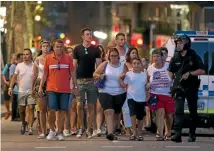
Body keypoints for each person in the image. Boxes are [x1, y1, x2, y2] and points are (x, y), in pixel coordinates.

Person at [38, 39, 78, 141]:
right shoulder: (49, 58)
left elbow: (73, 73)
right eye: (57, 47)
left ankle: (60, 132)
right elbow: (45, 74)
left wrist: (75, 86)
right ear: (54, 47)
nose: (59, 48)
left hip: (65, 89)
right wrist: (40, 87)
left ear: (63, 47)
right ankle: (52, 130)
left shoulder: (68, 58)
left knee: (62, 111)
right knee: (51, 110)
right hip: (51, 89)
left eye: (61, 47)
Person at [168, 34, 205, 143]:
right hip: (179, 87)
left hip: (191, 87)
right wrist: (172, 77)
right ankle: (177, 134)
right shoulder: (175, 57)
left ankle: (192, 133)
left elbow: (202, 70)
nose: (178, 45)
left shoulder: (193, 56)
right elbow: (171, 70)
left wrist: (190, 73)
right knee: (178, 110)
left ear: (186, 44)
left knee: (193, 112)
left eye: (180, 43)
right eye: (177, 43)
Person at [73, 28, 101, 138]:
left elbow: (98, 67)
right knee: (79, 105)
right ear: (82, 36)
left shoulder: (95, 49)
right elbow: (74, 67)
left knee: (91, 106)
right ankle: (81, 128)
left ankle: (89, 129)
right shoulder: (77, 49)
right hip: (80, 81)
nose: (90, 36)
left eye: (90, 34)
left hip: (91, 81)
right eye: (87, 34)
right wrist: (73, 82)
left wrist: (97, 79)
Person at [93, 48, 126, 141]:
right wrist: (100, 76)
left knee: (116, 113)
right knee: (108, 111)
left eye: (115, 55)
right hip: (105, 91)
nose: (113, 57)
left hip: (120, 92)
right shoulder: (105, 64)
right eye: (112, 56)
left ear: (118, 56)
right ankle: (110, 133)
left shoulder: (123, 65)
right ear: (108, 56)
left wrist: (123, 76)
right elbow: (94, 74)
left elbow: (127, 77)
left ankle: (112, 130)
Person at [147, 48, 175, 141]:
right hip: (155, 94)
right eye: (154, 56)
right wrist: (147, 87)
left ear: (161, 57)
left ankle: (169, 131)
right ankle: (160, 134)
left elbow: (172, 78)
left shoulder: (168, 66)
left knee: (169, 116)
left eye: (157, 56)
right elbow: (147, 80)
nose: (155, 58)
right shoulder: (150, 68)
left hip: (167, 94)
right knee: (160, 113)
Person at [119, 58, 147, 141]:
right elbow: (124, 85)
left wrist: (148, 93)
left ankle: (139, 133)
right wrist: (120, 79)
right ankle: (134, 133)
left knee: (140, 117)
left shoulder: (144, 74)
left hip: (141, 98)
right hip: (131, 97)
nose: (136, 65)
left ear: (141, 65)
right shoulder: (128, 74)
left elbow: (146, 86)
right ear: (132, 65)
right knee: (132, 114)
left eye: (138, 63)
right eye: (134, 63)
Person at [8, 49, 35, 135]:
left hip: (31, 91)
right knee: (22, 110)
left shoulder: (35, 65)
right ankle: (24, 123)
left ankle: (30, 127)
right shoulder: (19, 65)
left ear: (30, 55)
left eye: (27, 54)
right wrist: (10, 88)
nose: (25, 56)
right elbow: (14, 77)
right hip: (21, 91)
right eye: (24, 55)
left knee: (31, 107)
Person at [32, 40, 51, 139]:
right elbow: (34, 74)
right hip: (40, 84)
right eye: (43, 46)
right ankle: (43, 131)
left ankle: (52, 128)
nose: (45, 48)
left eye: (47, 46)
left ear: (50, 48)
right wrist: (32, 88)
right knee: (42, 109)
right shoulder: (37, 59)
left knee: (51, 109)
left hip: (52, 83)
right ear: (41, 48)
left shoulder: (53, 58)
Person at [2, 54, 17, 120]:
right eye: (13, 59)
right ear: (11, 59)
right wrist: (5, 82)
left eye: (15, 59)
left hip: (15, 84)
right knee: (6, 98)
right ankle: (8, 111)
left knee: (14, 98)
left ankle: (14, 113)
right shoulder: (7, 65)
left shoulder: (18, 66)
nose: (14, 60)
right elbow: (3, 74)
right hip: (7, 83)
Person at [9, 53, 23, 121]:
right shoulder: (13, 66)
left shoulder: (19, 66)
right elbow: (12, 77)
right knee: (15, 103)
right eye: (20, 58)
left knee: (17, 102)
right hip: (16, 87)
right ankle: (14, 116)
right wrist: (11, 86)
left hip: (19, 87)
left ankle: (16, 116)